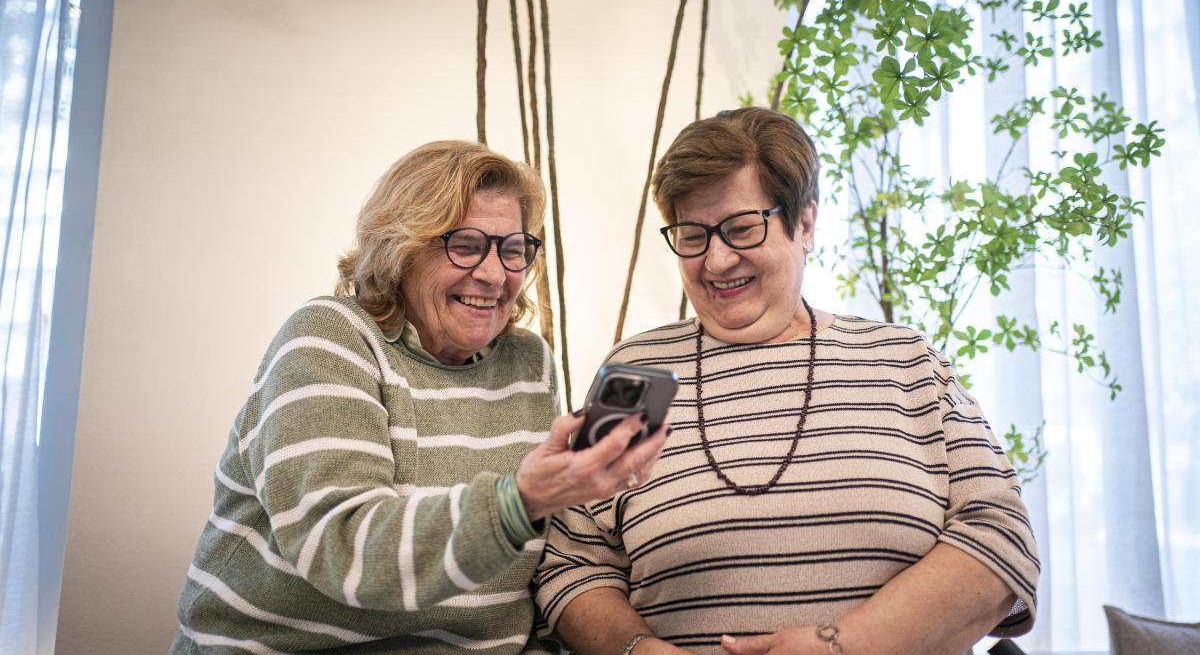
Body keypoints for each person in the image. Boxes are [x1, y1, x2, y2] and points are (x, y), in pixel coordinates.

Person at [534, 108, 1039, 655]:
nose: (717, 259)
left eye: (742, 228)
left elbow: (1001, 535)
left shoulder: (904, 361)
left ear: (804, 223)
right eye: (692, 235)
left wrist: (842, 645)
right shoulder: (638, 373)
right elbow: (573, 562)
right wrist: (634, 649)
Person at [171, 140, 669, 654]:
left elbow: (518, 594)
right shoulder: (329, 338)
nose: (496, 275)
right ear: (401, 250)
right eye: (467, 245)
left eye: (513, 249)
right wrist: (520, 501)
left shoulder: (527, 363)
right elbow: (344, 552)